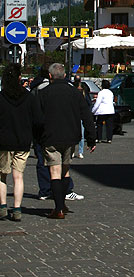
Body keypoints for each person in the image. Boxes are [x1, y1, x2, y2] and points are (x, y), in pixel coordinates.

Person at [36, 63, 96, 219]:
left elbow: (36, 119)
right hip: (70, 137)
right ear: (64, 76)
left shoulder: (44, 93)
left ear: (50, 76)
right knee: (65, 170)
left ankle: (58, 208)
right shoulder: (75, 93)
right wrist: (91, 138)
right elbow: (87, 116)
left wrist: (37, 138)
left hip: (50, 137)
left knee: (54, 172)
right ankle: (62, 204)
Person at [31, 67, 84, 202]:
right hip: (65, 133)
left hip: (47, 134)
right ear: (64, 75)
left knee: (51, 168)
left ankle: (56, 203)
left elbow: (36, 116)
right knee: (63, 169)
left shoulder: (39, 90)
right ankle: (62, 196)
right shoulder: (68, 90)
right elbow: (84, 112)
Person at [0, 64, 42, 222]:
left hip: (3, 141)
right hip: (23, 141)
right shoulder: (29, 97)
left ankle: (2, 206)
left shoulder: (1, 97)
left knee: (1, 176)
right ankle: (17, 209)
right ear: (19, 78)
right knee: (18, 176)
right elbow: (38, 120)